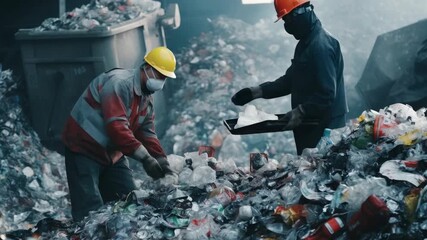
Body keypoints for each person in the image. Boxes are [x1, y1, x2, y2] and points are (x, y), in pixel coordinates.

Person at [62, 46, 177, 221]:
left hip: (112, 154)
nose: (161, 81)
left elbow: (147, 133)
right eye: (160, 75)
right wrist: (146, 159)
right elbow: (117, 128)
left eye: (165, 78)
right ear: (146, 69)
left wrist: (163, 163)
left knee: (129, 202)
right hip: (84, 149)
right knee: (89, 211)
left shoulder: (146, 98)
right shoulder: (118, 84)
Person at [231, 0, 348, 155]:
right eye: (284, 20)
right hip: (310, 123)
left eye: (288, 19)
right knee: (308, 168)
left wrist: (300, 112)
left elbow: (326, 94)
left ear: (302, 12)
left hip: (325, 127)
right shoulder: (306, 44)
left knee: (320, 171)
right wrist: (257, 91)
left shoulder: (321, 46)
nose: (287, 25)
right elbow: (291, 80)